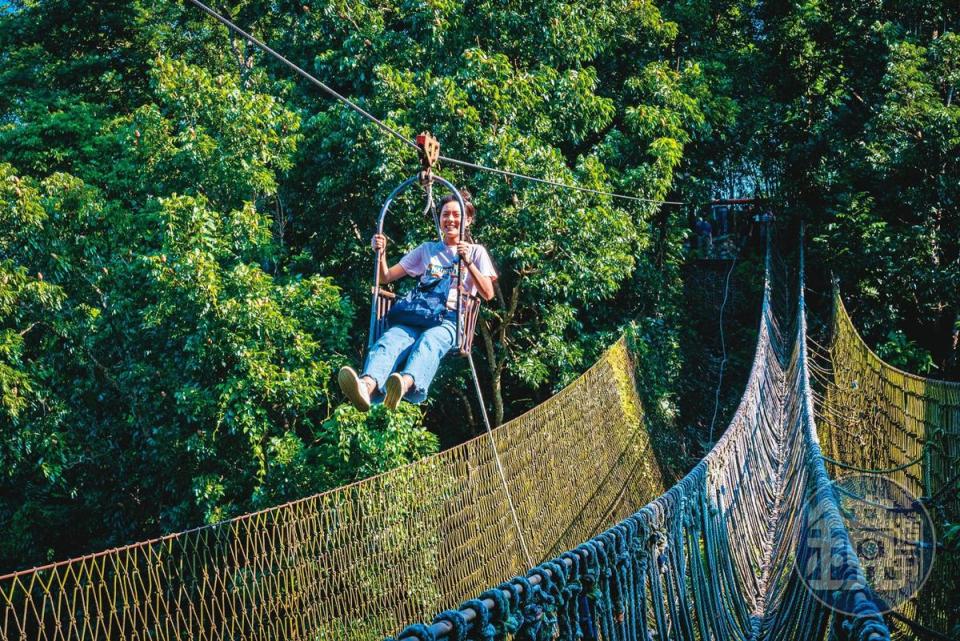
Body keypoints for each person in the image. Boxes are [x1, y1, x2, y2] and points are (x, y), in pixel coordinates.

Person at [338, 189, 498, 411]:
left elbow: (488, 293)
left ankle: (402, 384)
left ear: (467, 220)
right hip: (419, 313)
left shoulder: (476, 252)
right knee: (390, 340)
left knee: (429, 343)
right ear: (440, 218)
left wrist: (468, 262)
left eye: (456, 215)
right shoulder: (428, 250)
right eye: (445, 215)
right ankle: (366, 386)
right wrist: (381, 252)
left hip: (449, 320)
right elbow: (386, 276)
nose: (450, 220)